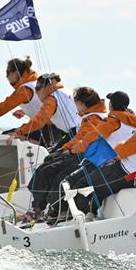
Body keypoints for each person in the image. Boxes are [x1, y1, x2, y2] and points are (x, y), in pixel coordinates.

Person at [66, 103, 136, 215]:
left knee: (83, 183)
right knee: (99, 189)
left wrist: (119, 144)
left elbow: (121, 152)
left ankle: (77, 218)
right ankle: (91, 215)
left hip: (125, 174)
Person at [27, 87, 107, 216]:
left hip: (87, 157)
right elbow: (78, 138)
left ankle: (54, 210)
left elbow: (87, 141)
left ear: (81, 103)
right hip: (79, 153)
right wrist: (62, 149)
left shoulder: (95, 119)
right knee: (45, 167)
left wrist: (70, 152)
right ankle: (38, 206)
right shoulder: (90, 116)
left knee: (55, 174)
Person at [8, 73, 79, 148]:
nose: (36, 92)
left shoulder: (52, 99)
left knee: (52, 158)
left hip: (77, 132)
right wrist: (24, 112)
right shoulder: (63, 92)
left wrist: (18, 133)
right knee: (52, 152)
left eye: (37, 88)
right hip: (75, 131)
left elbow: (40, 120)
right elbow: (66, 109)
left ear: (46, 86)